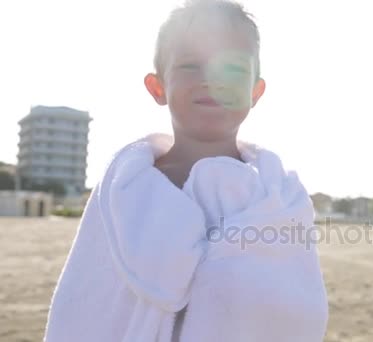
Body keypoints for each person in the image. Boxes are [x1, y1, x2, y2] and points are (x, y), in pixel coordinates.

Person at [44, 1, 329, 341]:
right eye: (191, 66)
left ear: (256, 92)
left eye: (234, 68)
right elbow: (86, 304)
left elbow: (297, 309)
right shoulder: (123, 191)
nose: (212, 79)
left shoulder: (279, 200)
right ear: (157, 88)